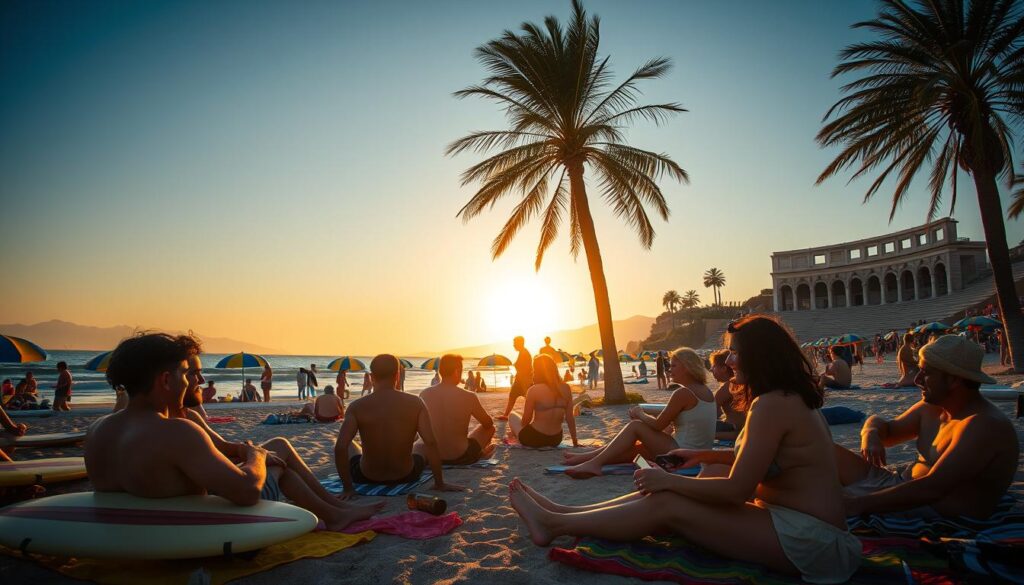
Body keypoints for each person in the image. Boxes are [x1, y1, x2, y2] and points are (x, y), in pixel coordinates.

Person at [510, 315, 860, 584]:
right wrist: (704, 456)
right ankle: (563, 513)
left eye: (735, 353)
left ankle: (554, 523)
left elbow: (738, 490)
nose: (730, 360)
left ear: (758, 357)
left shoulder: (772, 404)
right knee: (706, 474)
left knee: (667, 499)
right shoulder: (784, 398)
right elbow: (770, 463)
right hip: (808, 533)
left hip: (814, 543)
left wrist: (668, 482)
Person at [85, 333, 382, 531]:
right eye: (186, 374)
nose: (192, 382)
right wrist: (256, 455)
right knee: (279, 467)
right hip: (191, 537)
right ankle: (336, 516)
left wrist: (245, 451)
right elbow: (247, 492)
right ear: (165, 380)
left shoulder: (98, 430)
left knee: (274, 450)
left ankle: (335, 510)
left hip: (137, 534)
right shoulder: (177, 432)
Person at [837, 335, 1019, 519]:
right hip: (899, 483)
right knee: (823, 451)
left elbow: (933, 489)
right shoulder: (933, 408)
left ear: (953, 380)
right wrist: (870, 434)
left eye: (926, 372)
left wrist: (856, 504)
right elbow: (887, 430)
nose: (917, 380)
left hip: (930, 508)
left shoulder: (983, 425)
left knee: (821, 499)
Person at [562, 348, 715, 478]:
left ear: (686, 368)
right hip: (696, 454)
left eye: (673, 366)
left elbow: (658, 424)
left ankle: (594, 463)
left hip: (682, 455)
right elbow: (679, 424)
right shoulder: (705, 391)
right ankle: (587, 458)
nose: (669, 369)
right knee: (637, 452)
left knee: (635, 426)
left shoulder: (684, 393)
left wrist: (640, 413)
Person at [333, 354, 464, 496]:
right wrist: (440, 483)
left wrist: (348, 488)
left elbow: (340, 447)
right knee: (420, 443)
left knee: (349, 443)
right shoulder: (415, 403)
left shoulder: (356, 406)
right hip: (406, 475)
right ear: (397, 374)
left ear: (371, 376)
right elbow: (431, 443)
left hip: (366, 476)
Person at [415, 354, 495, 465]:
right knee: (490, 428)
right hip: (461, 456)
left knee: (419, 440)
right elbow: (488, 423)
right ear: (457, 371)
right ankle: (480, 452)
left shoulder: (424, 394)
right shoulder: (469, 396)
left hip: (433, 456)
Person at [507, 354, 578, 449]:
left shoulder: (534, 390)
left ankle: (514, 435)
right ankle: (514, 434)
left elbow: (525, 421)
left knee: (512, 415)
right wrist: (574, 440)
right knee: (519, 416)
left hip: (534, 438)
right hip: (555, 439)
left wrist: (518, 430)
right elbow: (570, 418)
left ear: (537, 371)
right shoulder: (566, 388)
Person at [709, 348, 745, 440]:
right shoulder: (742, 384)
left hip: (734, 431)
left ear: (724, 369)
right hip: (741, 430)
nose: (711, 369)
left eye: (714, 366)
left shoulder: (728, 386)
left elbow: (710, 413)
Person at [498, 336, 533, 421]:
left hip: (523, 380)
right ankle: (506, 414)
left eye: (515, 343)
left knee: (527, 398)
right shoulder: (523, 352)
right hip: (520, 379)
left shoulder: (524, 353)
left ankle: (507, 415)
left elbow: (525, 368)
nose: (513, 345)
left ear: (520, 343)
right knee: (513, 396)